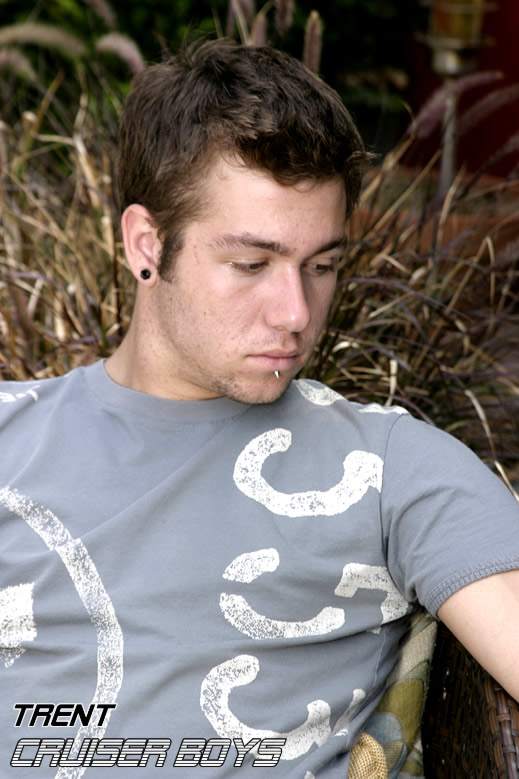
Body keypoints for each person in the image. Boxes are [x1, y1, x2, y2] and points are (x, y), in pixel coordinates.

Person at [1, 38, 518, 779]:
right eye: (251, 264)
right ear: (146, 244)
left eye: (322, 265)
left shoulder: (392, 472)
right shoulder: (11, 436)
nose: (295, 312)